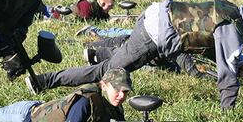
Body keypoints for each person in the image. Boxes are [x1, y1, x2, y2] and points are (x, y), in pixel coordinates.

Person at [28, 0, 243, 109]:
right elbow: (227, 73)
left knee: (115, 62)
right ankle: (44, 80)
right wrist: (228, 110)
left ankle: (89, 55)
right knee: (106, 72)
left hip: (161, 27)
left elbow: (212, 44)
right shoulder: (235, 27)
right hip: (155, 35)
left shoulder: (232, 11)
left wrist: (240, 63)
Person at [0, 68, 153, 122]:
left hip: (34, 116)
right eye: (118, 90)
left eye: (126, 92)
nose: (122, 95)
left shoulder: (114, 104)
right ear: (105, 85)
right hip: (24, 116)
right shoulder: (86, 100)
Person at [84, 35, 214, 80]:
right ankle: (97, 55)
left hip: (160, 57)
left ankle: (95, 50)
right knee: (128, 55)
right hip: (151, 51)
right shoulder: (180, 46)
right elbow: (194, 72)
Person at [45, 0, 116, 21]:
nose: (112, 8)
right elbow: (85, 21)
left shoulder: (100, 10)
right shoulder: (87, 5)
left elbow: (105, 19)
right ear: (103, 4)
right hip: (54, 14)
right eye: (110, 5)